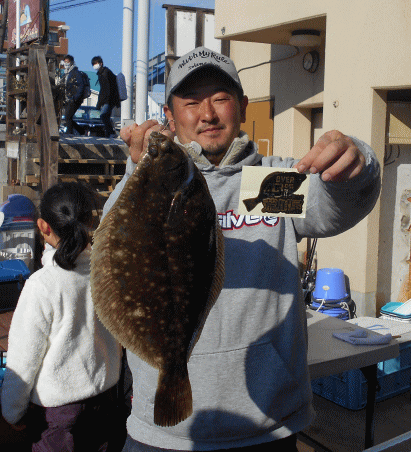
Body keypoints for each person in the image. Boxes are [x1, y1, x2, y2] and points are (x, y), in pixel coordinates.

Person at [102, 47, 381, 452]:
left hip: (266, 426)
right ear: (169, 114)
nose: (207, 114)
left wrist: (358, 165)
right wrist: (138, 169)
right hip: (159, 433)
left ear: (242, 106)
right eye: (191, 101)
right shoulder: (147, 187)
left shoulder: (264, 188)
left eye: (220, 98)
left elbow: (341, 205)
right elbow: (113, 245)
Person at [1, 182, 124, 452]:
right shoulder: (106, 272)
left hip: (57, 418)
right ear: (91, 222)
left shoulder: (42, 285)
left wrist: (12, 411)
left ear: (43, 227)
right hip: (105, 405)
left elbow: (23, 360)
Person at [91, 55, 120, 138]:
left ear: (101, 63)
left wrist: (100, 103)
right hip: (110, 99)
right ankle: (109, 133)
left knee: (103, 115)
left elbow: (105, 89)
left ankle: (111, 133)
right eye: (93, 64)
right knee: (106, 116)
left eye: (95, 63)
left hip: (109, 99)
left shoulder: (104, 73)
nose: (94, 66)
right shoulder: (103, 72)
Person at [60, 54, 85, 135]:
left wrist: (76, 97)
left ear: (72, 62)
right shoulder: (65, 73)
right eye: (65, 62)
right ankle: (81, 130)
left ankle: (69, 133)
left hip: (74, 98)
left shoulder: (75, 73)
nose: (66, 64)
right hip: (68, 98)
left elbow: (81, 85)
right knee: (68, 117)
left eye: (68, 62)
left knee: (67, 116)